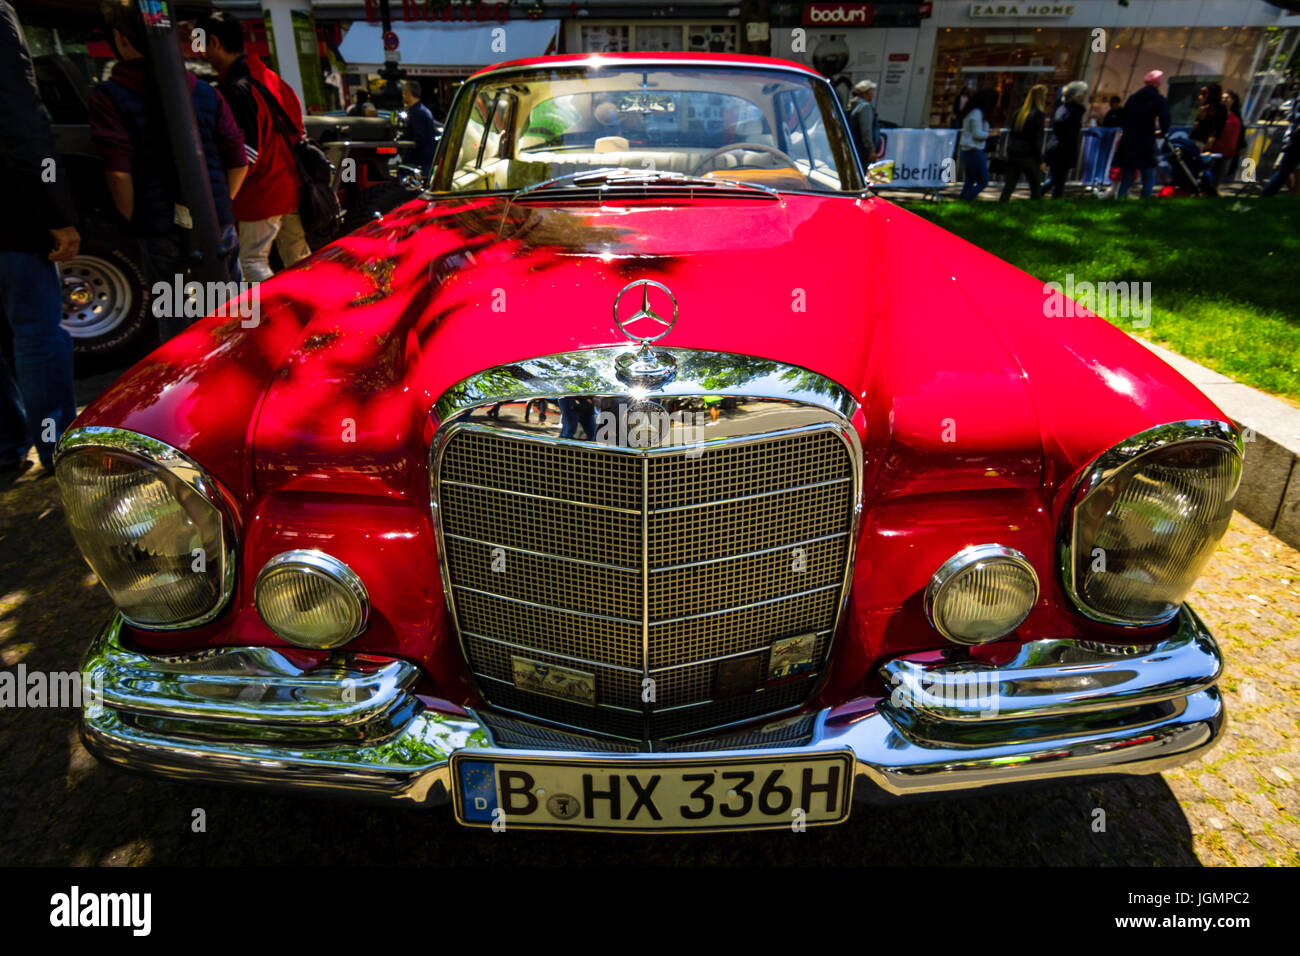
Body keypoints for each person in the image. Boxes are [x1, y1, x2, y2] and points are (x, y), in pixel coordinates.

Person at [90, 0, 247, 340]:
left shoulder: (109, 96)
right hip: (218, 224)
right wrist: (218, 205)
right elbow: (238, 158)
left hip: (160, 227)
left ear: (121, 39)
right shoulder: (205, 92)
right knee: (230, 316)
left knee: (178, 325)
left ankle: (187, 388)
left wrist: (133, 218)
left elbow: (118, 172)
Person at [0, 0, 79, 477]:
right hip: (10, 215)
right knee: (35, 332)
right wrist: (57, 212)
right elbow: (21, 119)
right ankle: (56, 448)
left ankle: (7, 445)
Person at [194, 10, 310, 282]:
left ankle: (272, 321)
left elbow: (245, 153)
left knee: (251, 262)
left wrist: (225, 197)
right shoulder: (271, 78)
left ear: (213, 42)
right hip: (291, 186)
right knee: (299, 258)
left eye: (198, 42)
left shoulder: (237, 88)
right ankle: (312, 313)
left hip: (261, 192)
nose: (198, 51)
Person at [1115, 70, 1170, 199]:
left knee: (1126, 177)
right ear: (1158, 83)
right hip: (1146, 140)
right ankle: (1144, 202)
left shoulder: (1133, 98)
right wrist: (1164, 131)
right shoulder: (1159, 99)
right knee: (1148, 175)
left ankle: (1119, 199)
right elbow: (1165, 118)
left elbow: (1122, 116)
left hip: (1129, 140)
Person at [999, 84, 1047, 202]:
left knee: (1009, 185)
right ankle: (1035, 210)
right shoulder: (1038, 115)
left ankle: (1001, 206)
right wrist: (1040, 160)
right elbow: (1036, 140)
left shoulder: (1020, 113)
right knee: (1035, 186)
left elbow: (1012, 134)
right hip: (1028, 156)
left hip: (1014, 153)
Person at [1044, 80, 1087, 198]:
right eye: (1083, 93)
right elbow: (1069, 134)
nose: (1084, 96)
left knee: (1057, 178)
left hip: (1060, 149)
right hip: (1062, 149)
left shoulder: (1066, 109)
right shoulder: (1071, 112)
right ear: (1076, 95)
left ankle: (1040, 196)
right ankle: (1040, 195)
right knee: (1058, 179)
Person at [958, 88, 996, 200]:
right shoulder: (977, 113)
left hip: (968, 149)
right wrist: (990, 134)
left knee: (970, 180)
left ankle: (963, 200)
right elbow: (977, 134)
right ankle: (966, 199)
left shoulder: (972, 112)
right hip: (973, 149)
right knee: (983, 181)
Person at [1260, 100, 1300, 197]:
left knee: (1285, 171)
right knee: (1284, 171)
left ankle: (1268, 194)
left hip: (1293, 141)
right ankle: (1267, 194)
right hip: (1295, 142)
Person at [400, 79, 436, 172]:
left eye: (404, 92)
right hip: (426, 159)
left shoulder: (417, 112)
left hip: (419, 161)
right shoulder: (423, 110)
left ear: (408, 93)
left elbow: (418, 139)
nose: (403, 95)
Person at [1215, 90, 1244, 188]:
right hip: (1215, 148)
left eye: (1227, 98)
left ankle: (1215, 190)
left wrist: (1242, 146)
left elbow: (1241, 132)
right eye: (1222, 98)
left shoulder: (1236, 115)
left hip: (1229, 150)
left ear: (1233, 100)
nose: (1224, 100)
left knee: (1221, 173)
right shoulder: (1215, 113)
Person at [847, 79, 879, 165]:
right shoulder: (865, 107)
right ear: (866, 93)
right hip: (863, 152)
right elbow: (866, 130)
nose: (873, 94)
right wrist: (871, 150)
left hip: (854, 149)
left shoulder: (853, 105)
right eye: (871, 91)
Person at [1191, 82, 1227, 151]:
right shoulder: (1204, 107)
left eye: (1206, 93)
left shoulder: (1220, 109)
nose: (1200, 96)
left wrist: (1212, 138)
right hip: (1196, 137)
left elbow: (1220, 126)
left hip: (1205, 140)